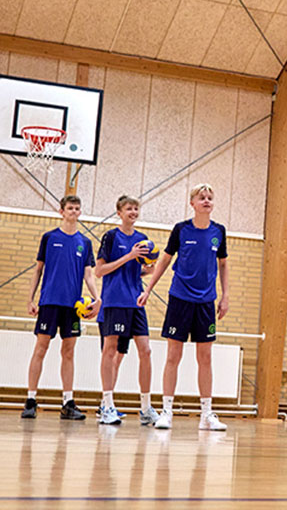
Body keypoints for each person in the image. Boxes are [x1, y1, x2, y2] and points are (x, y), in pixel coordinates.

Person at [137, 184, 230, 431]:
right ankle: (166, 411)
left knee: (205, 357)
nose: (206, 201)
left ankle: (206, 415)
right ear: (192, 203)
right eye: (201, 197)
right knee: (173, 356)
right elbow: (165, 261)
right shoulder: (181, 229)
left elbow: (223, 265)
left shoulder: (219, 231)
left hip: (206, 302)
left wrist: (225, 296)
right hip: (180, 299)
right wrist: (148, 289)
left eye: (210, 197)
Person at [22, 195, 101, 420]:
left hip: (72, 306)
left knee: (68, 352)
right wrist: (30, 299)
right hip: (49, 302)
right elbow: (38, 270)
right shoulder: (49, 238)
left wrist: (97, 298)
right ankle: (31, 400)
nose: (74, 211)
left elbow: (88, 275)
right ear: (61, 211)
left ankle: (67, 402)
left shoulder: (85, 242)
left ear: (80, 212)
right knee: (41, 348)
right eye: (70, 208)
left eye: (77, 208)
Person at [95, 195, 159, 426]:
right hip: (115, 300)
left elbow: (135, 271)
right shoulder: (111, 237)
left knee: (146, 351)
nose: (133, 212)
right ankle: (107, 406)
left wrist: (148, 269)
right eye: (129, 208)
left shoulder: (142, 239)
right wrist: (129, 256)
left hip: (136, 301)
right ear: (119, 212)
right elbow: (100, 271)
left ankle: (146, 408)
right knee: (110, 350)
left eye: (136, 209)